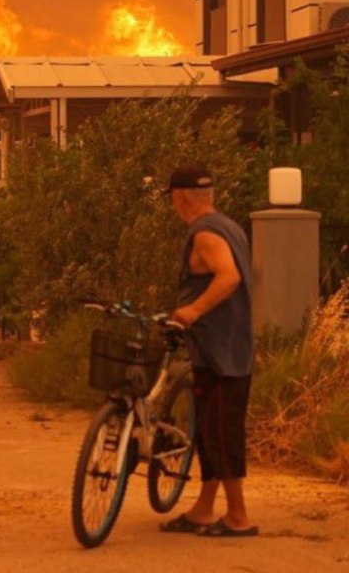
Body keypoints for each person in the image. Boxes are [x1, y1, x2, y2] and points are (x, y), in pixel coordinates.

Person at [160, 165, 259, 538]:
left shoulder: (204, 234)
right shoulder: (228, 226)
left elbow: (229, 276)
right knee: (209, 430)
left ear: (179, 196)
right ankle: (204, 509)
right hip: (226, 345)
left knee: (221, 433)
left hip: (221, 351)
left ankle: (238, 516)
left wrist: (192, 311)